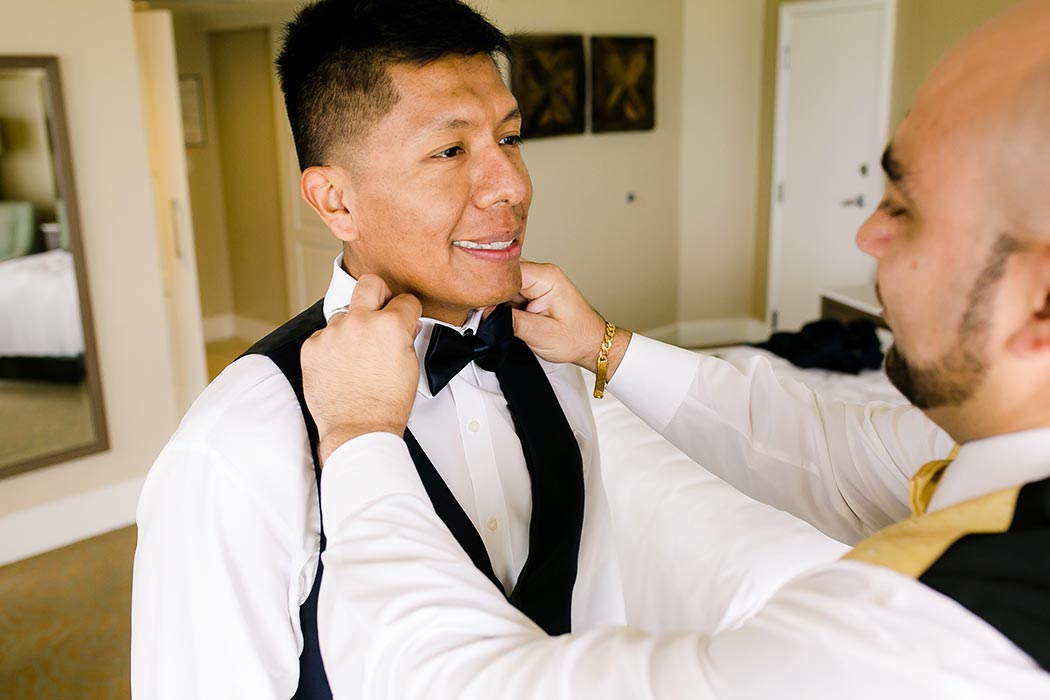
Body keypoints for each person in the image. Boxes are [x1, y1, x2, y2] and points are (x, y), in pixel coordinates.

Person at [301, 0, 1050, 697]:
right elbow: (823, 450)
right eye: (448, 150)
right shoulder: (995, 449)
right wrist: (605, 348)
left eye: (906, 209)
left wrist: (361, 434)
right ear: (333, 199)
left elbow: (472, 686)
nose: (867, 237)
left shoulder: (949, 634)